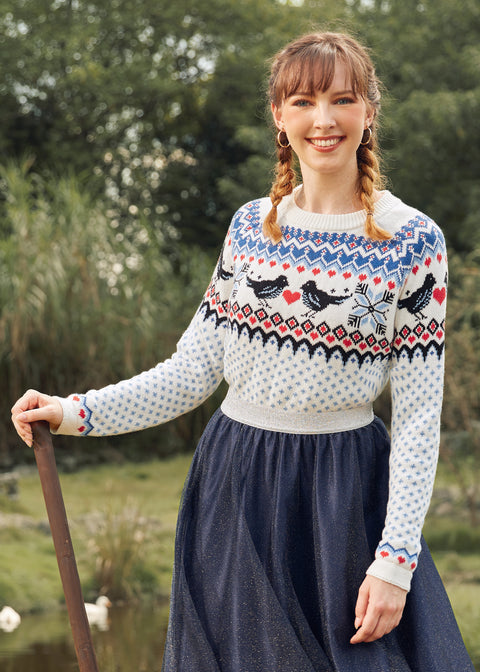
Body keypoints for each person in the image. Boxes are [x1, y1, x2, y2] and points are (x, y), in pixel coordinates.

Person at [12, 32, 475, 672]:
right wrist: (75, 413)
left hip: (343, 498)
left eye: (342, 100)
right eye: (303, 102)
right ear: (280, 118)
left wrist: (396, 559)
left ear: (369, 111)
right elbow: (192, 371)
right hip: (236, 486)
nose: (324, 119)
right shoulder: (251, 227)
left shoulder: (413, 241)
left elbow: (419, 417)